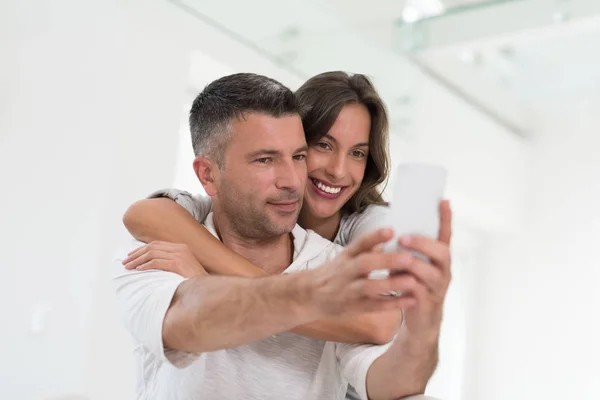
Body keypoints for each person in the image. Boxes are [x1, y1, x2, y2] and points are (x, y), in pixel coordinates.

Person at [112, 73, 452, 400]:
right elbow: (185, 324)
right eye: (265, 159)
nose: (292, 180)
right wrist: (317, 293)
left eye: (298, 157)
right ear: (208, 174)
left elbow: (387, 376)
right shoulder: (160, 249)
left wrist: (424, 326)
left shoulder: (341, 255)